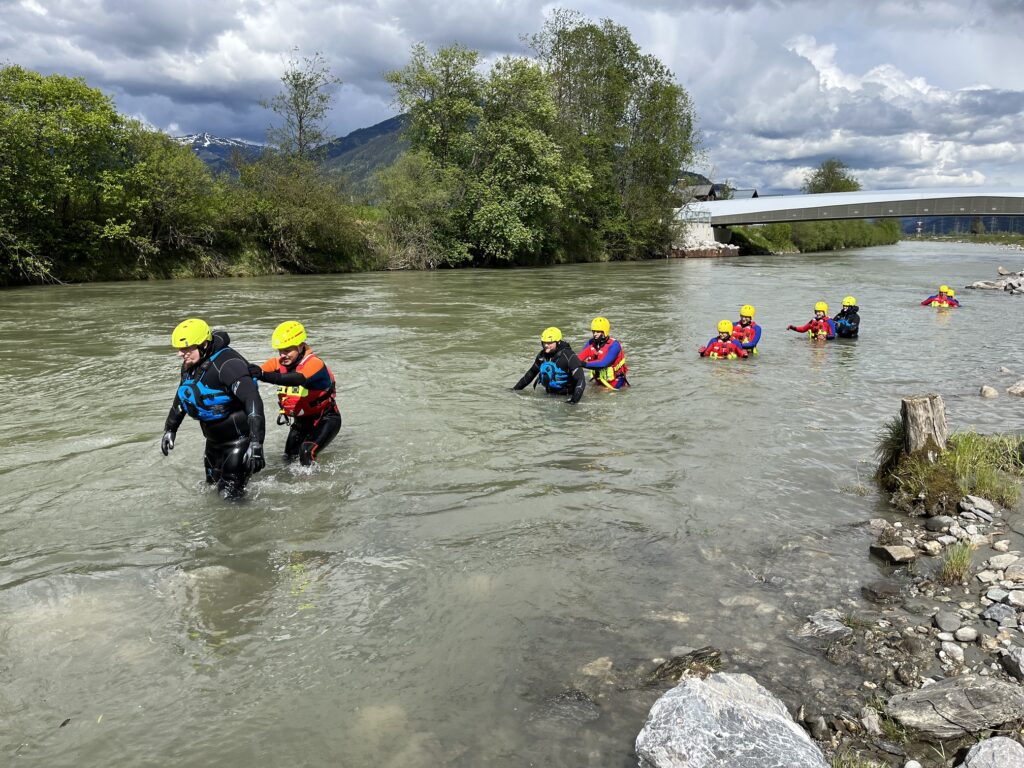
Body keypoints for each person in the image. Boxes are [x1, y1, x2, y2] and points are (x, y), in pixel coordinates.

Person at [161, 318, 266, 498]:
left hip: (238, 442)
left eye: (186, 348)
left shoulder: (228, 365)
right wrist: (170, 428)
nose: (180, 354)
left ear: (204, 344)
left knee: (229, 497)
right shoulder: (191, 365)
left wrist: (256, 443)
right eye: (179, 349)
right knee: (209, 490)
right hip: (213, 443)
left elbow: (253, 400)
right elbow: (183, 395)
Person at [249, 321, 341, 466]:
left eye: (287, 350)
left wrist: (264, 376)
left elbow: (297, 379)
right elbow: (253, 373)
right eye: (280, 351)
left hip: (326, 419)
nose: (283, 355)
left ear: (300, 346)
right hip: (301, 422)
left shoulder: (315, 364)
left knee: (306, 452)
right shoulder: (278, 363)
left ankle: (314, 486)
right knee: (288, 459)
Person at [513, 327, 586, 404]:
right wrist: (514, 390)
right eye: (544, 342)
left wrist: (573, 401)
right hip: (549, 396)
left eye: (549, 343)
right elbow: (530, 374)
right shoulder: (542, 356)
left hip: (567, 397)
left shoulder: (569, 356)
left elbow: (580, 380)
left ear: (558, 342)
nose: (546, 345)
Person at [576, 316, 629, 390]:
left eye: (598, 331)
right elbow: (578, 359)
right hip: (599, 380)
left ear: (605, 332)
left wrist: (582, 364)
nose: (595, 334)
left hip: (615, 383)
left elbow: (603, 364)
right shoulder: (590, 343)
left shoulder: (614, 345)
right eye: (593, 331)